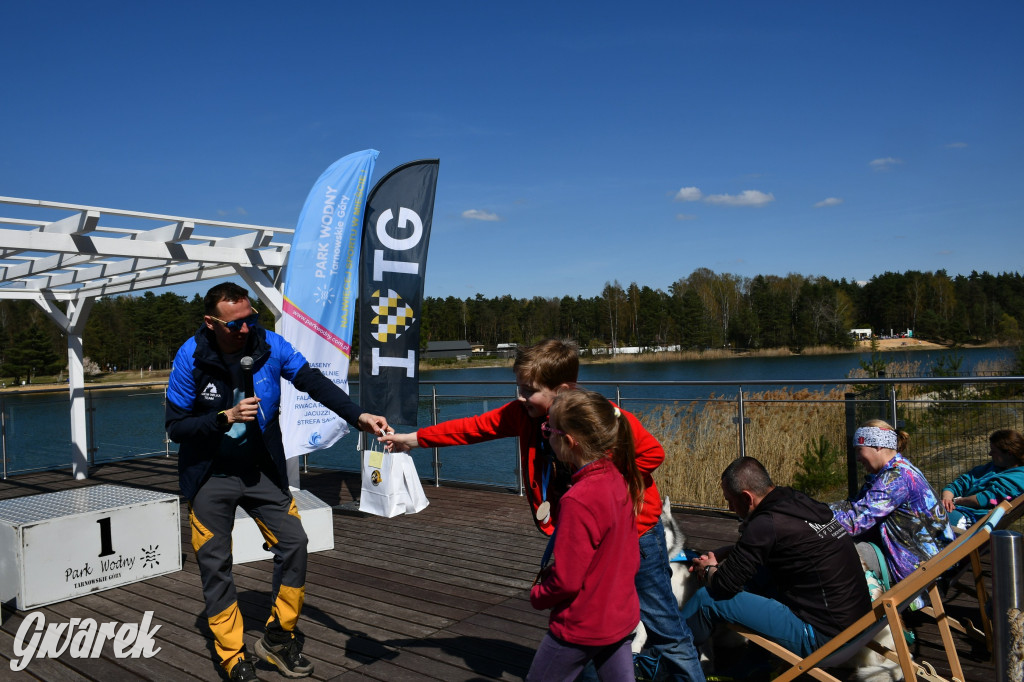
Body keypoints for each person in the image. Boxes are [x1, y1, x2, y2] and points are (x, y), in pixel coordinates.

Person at [380, 339, 705, 681]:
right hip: (584, 535)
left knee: (664, 626)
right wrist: (411, 440)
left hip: (635, 535)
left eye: (529, 390)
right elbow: (474, 427)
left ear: (562, 390)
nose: (520, 397)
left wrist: (607, 489)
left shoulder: (595, 416)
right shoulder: (525, 414)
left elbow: (652, 452)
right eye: (518, 388)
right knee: (593, 621)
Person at [166, 283, 390, 682]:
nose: (246, 329)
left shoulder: (270, 345)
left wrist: (358, 416)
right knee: (216, 564)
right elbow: (176, 428)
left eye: (251, 318)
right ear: (211, 322)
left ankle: (277, 639)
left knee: (295, 543)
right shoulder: (191, 357)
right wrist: (224, 418)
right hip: (210, 475)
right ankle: (232, 655)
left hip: (261, 471)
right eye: (235, 324)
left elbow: (313, 382)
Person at [682, 457, 871, 660]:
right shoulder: (797, 502)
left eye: (730, 501)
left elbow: (724, 585)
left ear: (746, 498)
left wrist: (708, 569)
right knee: (758, 577)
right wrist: (730, 552)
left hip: (825, 639)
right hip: (858, 626)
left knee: (707, 599)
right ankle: (755, 662)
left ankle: (666, 659)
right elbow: (779, 547)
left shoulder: (766, 523)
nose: (730, 508)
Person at [527, 389, 642, 681]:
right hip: (619, 615)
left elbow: (566, 580)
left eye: (549, 430)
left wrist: (539, 595)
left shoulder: (578, 499)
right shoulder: (617, 478)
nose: (546, 434)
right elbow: (628, 556)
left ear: (568, 442)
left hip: (581, 624)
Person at [829, 419, 954, 587]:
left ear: (877, 446)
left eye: (859, 450)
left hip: (921, 569)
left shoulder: (896, 478)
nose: (857, 458)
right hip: (929, 560)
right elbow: (855, 505)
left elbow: (854, 523)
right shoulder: (897, 470)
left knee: (839, 555)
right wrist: (817, 509)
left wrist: (814, 519)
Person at [941, 428, 1024, 529]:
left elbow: (983, 499)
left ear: (1009, 453)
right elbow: (960, 483)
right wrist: (947, 498)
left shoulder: (1019, 478)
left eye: (994, 451)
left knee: (931, 519)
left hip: (972, 518)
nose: (990, 454)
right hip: (956, 509)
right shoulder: (991, 467)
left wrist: (955, 501)